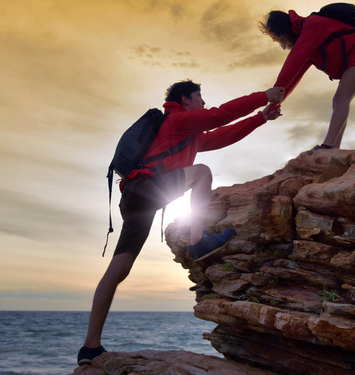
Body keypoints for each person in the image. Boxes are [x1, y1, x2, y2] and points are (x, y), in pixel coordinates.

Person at [77, 80, 284, 365]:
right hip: (147, 188)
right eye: (200, 96)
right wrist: (263, 97)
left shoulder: (191, 134)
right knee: (201, 172)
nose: (203, 101)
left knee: (119, 268)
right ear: (186, 99)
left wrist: (260, 118)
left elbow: (224, 134)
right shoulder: (178, 119)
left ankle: (90, 347)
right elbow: (220, 115)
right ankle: (198, 240)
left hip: (138, 197)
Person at [260, 9, 355, 149]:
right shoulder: (305, 35)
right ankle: (334, 148)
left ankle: (328, 146)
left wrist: (272, 93)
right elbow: (296, 73)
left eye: (274, 35)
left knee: (340, 99)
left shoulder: (311, 26)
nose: (275, 40)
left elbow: (293, 62)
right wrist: (277, 98)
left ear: (281, 29)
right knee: (339, 100)